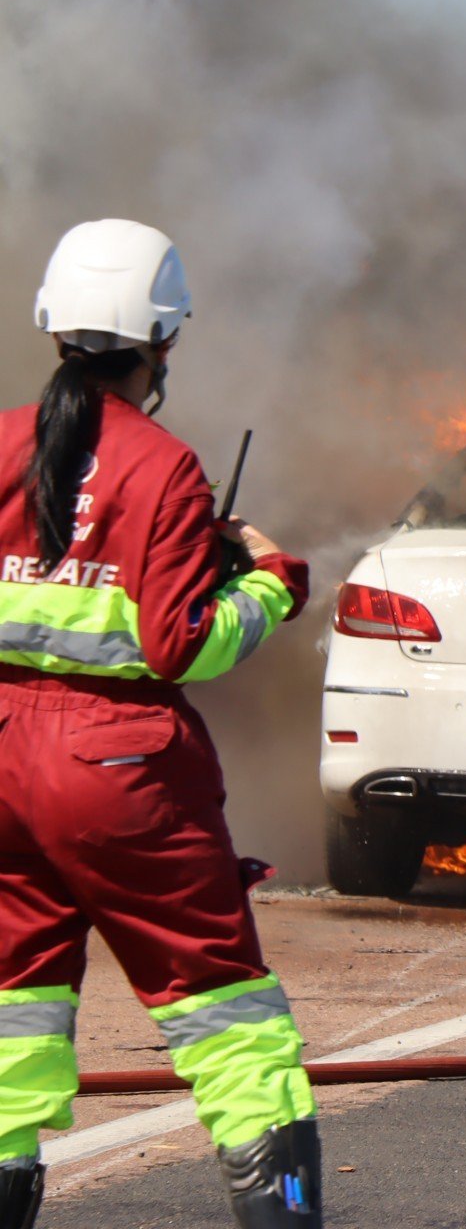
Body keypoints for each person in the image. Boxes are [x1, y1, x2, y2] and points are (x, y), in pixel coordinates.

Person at [0, 220, 320, 1227]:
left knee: (9, 1017)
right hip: (122, 769)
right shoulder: (164, 466)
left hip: (1, 757)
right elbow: (183, 644)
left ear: (53, 327)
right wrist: (270, 584)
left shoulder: (2, 442)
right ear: (164, 342)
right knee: (229, 1015)